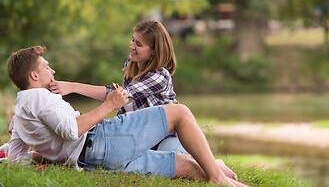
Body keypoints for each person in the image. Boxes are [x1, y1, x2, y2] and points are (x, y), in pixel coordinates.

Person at [7, 46, 249, 187]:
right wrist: (109, 105)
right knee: (180, 112)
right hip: (101, 142)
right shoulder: (38, 97)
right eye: (47, 67)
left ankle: (218, 172)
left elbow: (15, 158)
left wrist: (43, 161)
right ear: (34, 76)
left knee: (190, 167)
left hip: (92, 159)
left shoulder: (21, 109)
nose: (52, 71)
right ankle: (218, 178)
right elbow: (71, 129)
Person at [49, 20, 185, 153]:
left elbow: (122, 96)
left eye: (139, 44)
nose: (132, 46)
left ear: (154, 51)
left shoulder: (160, 76)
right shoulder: (131, 63)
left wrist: (73, 87)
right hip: (142, 136)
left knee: (172, 159)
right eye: (133, 40)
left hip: (165, 137)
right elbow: (117, 95)